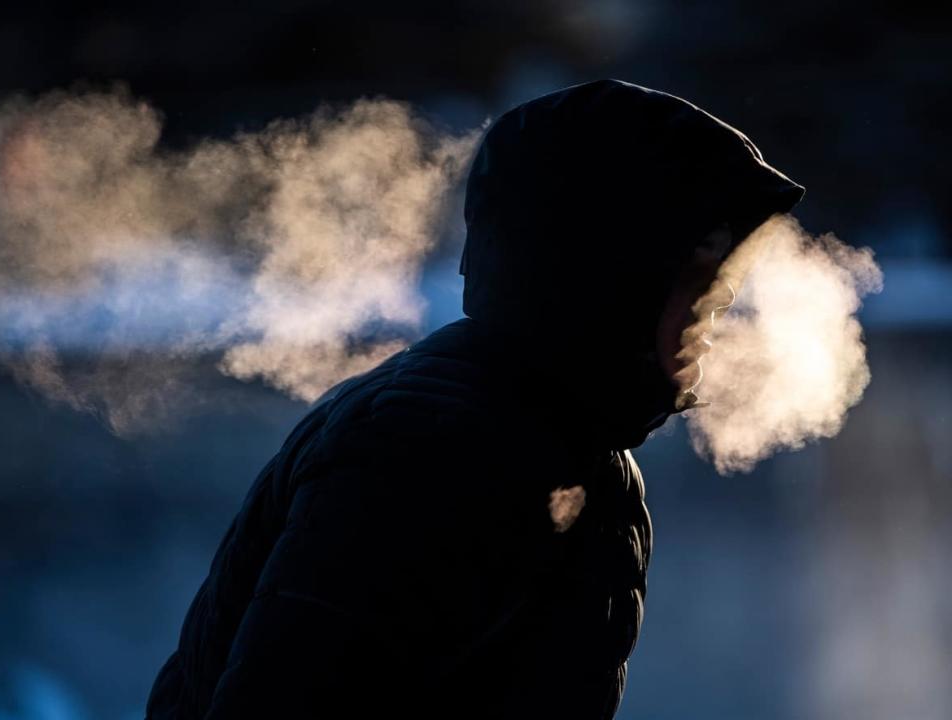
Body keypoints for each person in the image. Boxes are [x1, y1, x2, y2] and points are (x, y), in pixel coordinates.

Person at [146, 78, 805, 719]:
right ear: (607, 280)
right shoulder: (429, 449)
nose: (714, 315)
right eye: (696, 283)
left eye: (719, 285)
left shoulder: (574, 451)